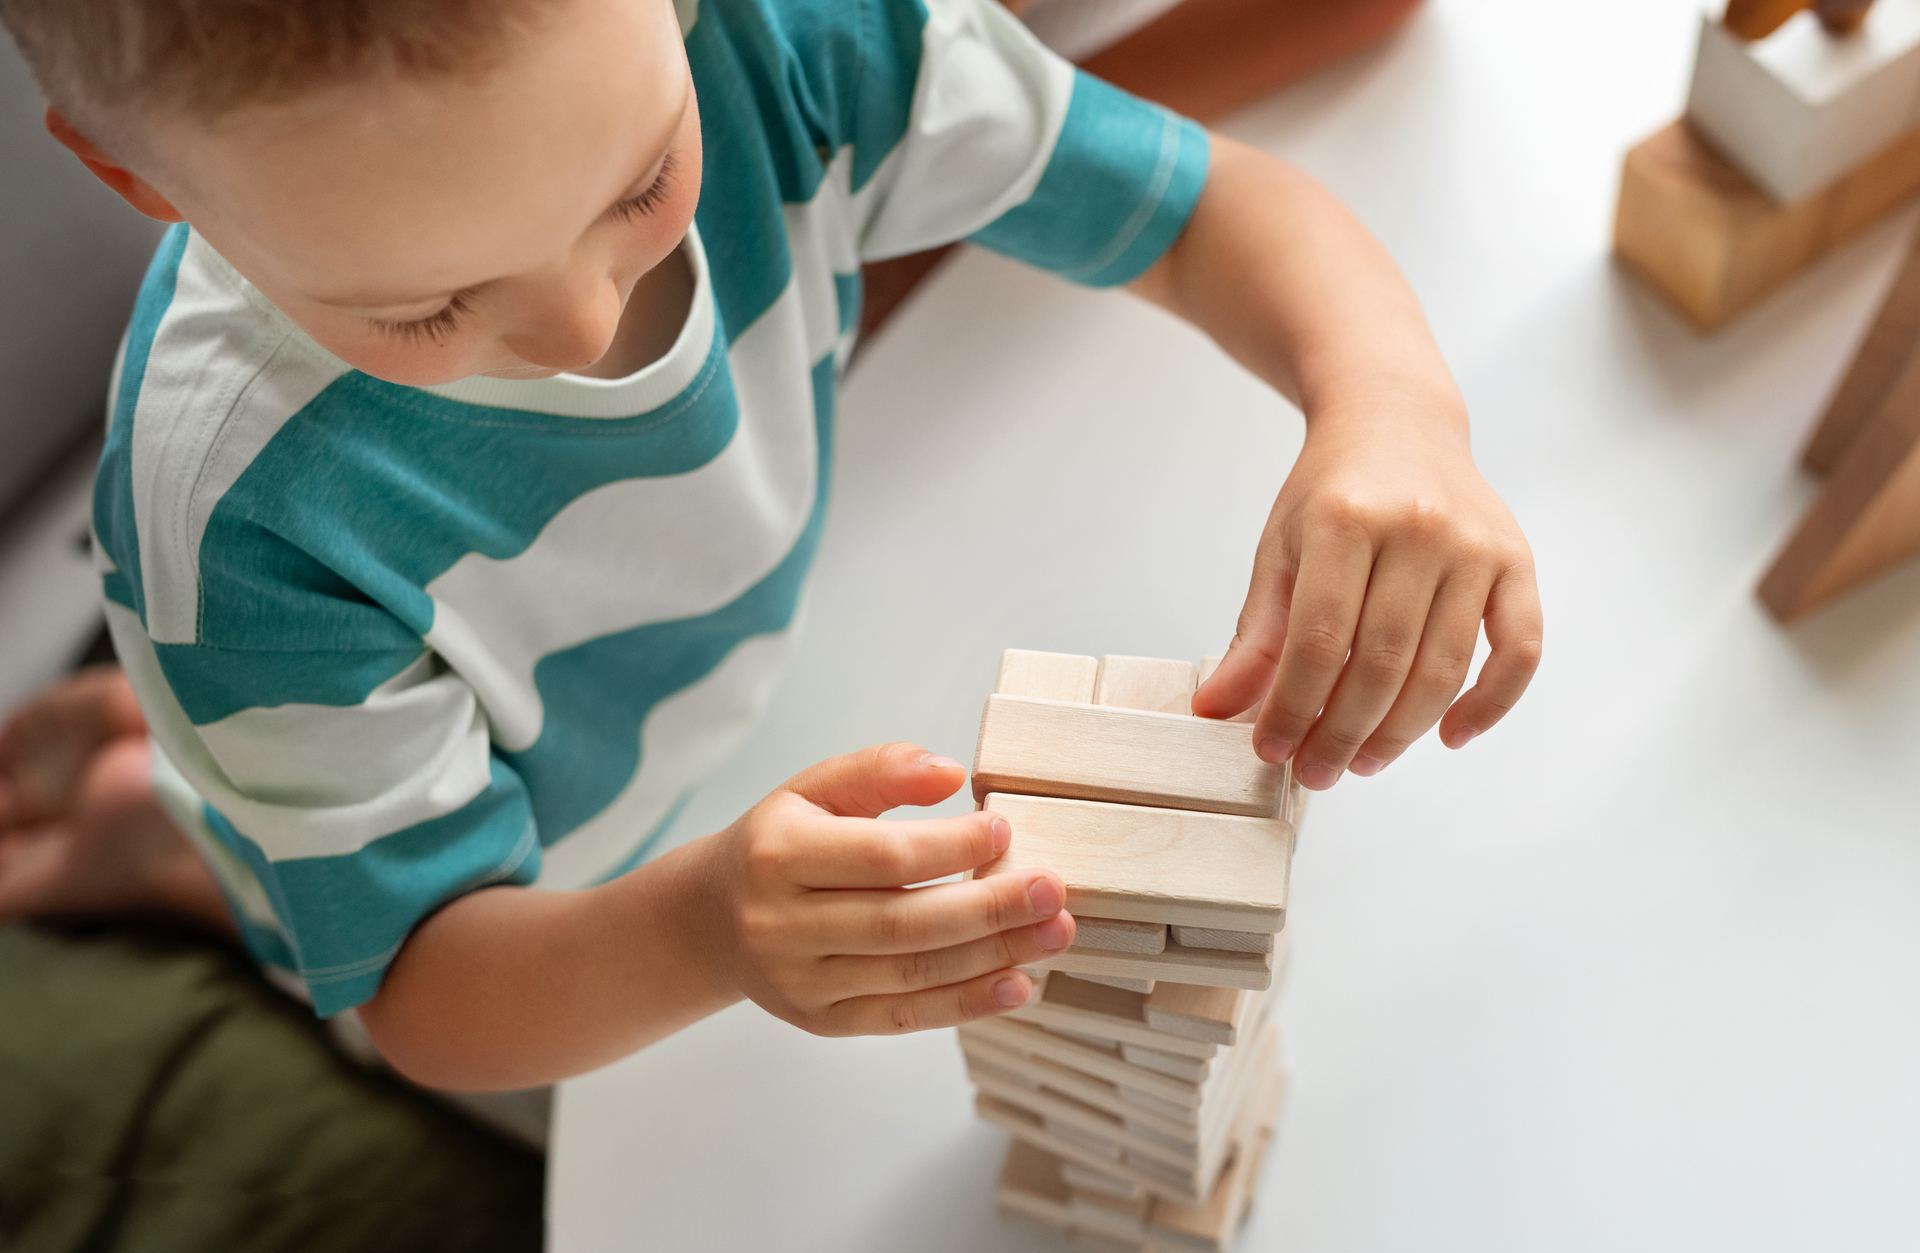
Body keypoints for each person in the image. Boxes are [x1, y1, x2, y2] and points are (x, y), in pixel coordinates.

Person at [0, 0, 1541, 1097]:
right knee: (311, 918)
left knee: (296, 787)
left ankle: (199, 782)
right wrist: (699, 930)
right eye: (422, 308)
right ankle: (181, 844)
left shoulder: (789, 32)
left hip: (664, 695)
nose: (584, 328)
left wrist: (1391, 403)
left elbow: (1202, 205)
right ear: (147, 188)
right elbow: (418, 983)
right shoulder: (232, 527)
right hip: (542, 913)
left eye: (640, 185)